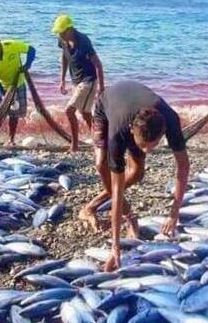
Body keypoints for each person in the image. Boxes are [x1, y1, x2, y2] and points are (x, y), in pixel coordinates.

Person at [78, 81, 190, 272]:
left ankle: (92, 206)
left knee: (137, 172)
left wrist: (174, 213)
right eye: (140, 146)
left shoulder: (170, 120)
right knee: (101, 165)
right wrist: (115, 246)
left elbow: (183, 167)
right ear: (132, 132)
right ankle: (127, 216)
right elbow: (117, 188)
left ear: (162, 133)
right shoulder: (119, 134)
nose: (146, 151)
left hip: (135, 106)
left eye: (151, 146)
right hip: (106, 106)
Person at [51, 14, 105, 152]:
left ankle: (74, 146)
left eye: (62, 32)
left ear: (70, 29)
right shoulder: (62, 40)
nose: (61, 35)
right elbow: (64, 57)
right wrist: (62, 79)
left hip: (88, 80)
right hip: (76, 81)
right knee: (86, 114)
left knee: (69, 111)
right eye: (59, 32)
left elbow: (98, 64)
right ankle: (100, 141)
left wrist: (101, 87)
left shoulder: (84, 41)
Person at [0, 35, 36, 145]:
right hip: (0, 86)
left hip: (18, 84)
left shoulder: (12, 46)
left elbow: (31, 50)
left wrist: (27, 65)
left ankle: (11, 140)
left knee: (14, 113)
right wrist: (3, 95)